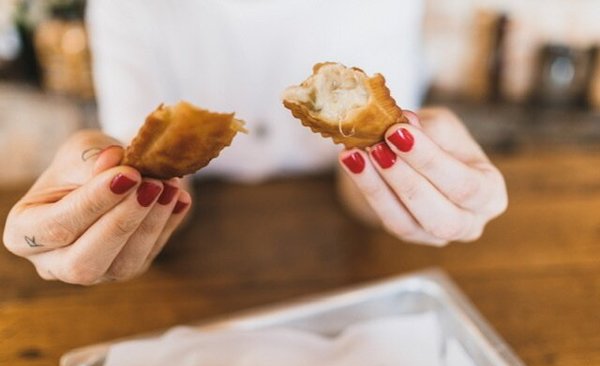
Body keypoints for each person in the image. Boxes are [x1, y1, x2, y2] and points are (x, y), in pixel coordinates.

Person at [2, 0, 507, 285]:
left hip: (345, 269)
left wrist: (416, 180)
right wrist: (102, 174)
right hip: (198, 279)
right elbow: (161, 173)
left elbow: (360, 175)